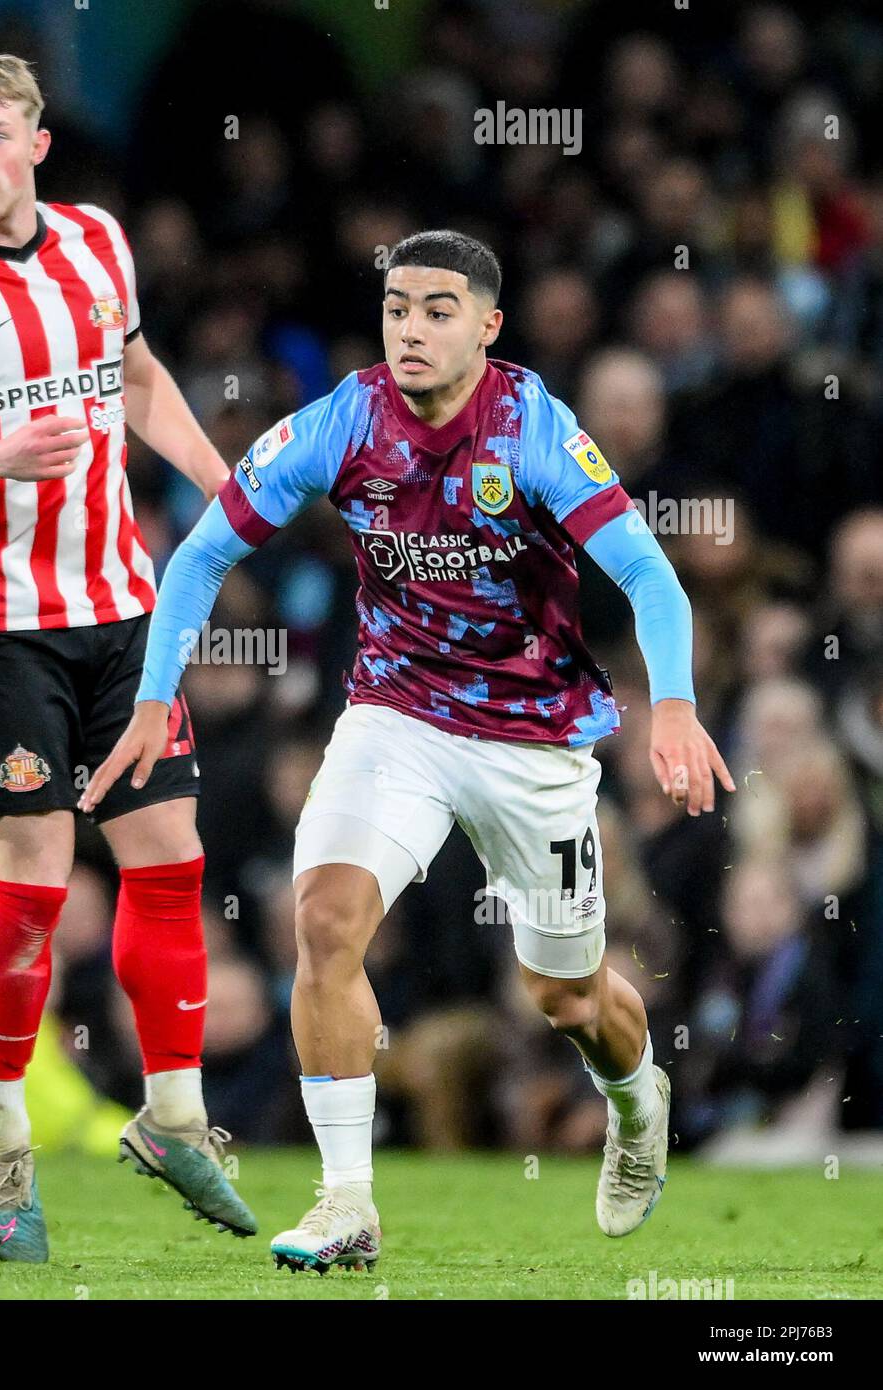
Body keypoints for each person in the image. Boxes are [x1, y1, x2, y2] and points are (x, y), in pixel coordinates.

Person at [83, 229, 735, 1272]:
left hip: (534, 740)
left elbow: (650, 578)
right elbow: (204, 549)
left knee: (564, 994)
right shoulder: (343, 420)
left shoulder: (531, 428)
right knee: (325, 924)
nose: (412, 329)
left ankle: (636, 1094)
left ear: (488, 325)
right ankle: (346, 1203)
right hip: (398, 716)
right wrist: (157, 695)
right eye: (396, 307)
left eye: (438, 309)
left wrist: (673, 706)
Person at [0, 48, 254, 1263]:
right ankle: (5, 1146)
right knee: (33, 880)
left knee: (169, 859)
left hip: (122, 607)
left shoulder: (96, 242)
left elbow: (133, 378)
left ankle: (175, 1117)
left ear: (34, 140)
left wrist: (220, 484)